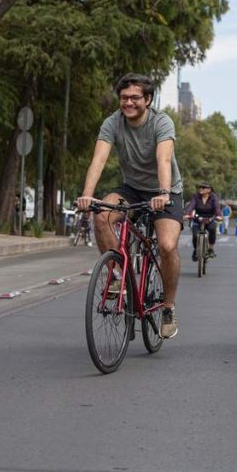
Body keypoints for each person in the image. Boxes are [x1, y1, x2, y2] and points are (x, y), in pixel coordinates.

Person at [76, 74, 184, 339]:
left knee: (167, 246)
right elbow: (99, 159)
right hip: (132, 188)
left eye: (135, 98)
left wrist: (163, 193)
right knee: (102, 215)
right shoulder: (113, 122)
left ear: (147, 99)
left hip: (165, 190)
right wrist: (87, 196)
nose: (129, 103)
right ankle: (116, 276)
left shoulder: (162, 121)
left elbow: (164, 158)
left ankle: (168, 307)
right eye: (124, 98)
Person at [184, 182, 221, 261]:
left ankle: (210, 249)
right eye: (200, 187)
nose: (201, 189)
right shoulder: (196, 197)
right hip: (198, 219)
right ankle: (195, 250)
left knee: (212, 229)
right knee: (195, 235)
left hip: (210, 219)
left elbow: (217, 207)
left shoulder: (213, 197)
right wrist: (187, 214)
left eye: (203, 187)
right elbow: (191, 206)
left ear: (209, 190)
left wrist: (219, 215)